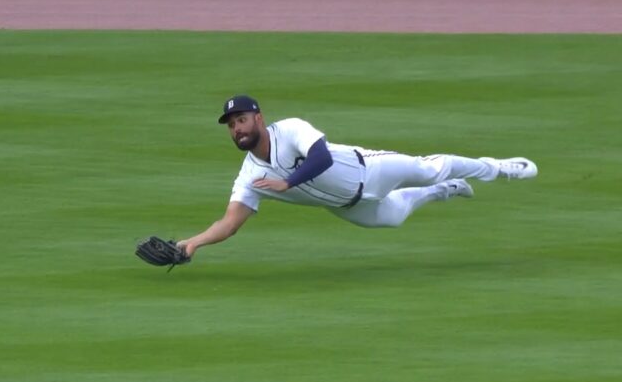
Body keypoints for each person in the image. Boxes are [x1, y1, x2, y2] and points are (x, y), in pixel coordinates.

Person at [177, 95, 537, 258]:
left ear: (258, 118)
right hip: (348, 206)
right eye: (231, 125)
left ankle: (498, 168)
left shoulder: (290, 129)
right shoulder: (250, 174)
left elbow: (319, 156)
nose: (237, 128)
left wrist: (287, 183)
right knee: (394, 217)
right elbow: (230, 223)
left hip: (372, 167)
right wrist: (193, 243)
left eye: (242, 120)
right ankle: (445, 192)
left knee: (429, 168)